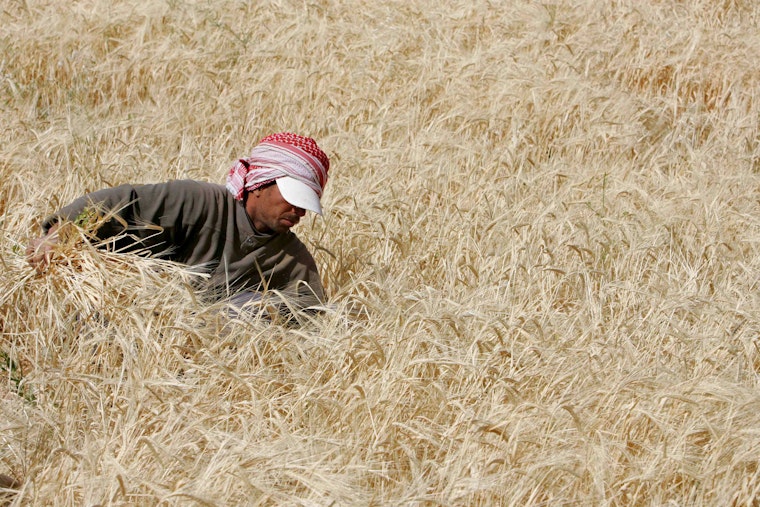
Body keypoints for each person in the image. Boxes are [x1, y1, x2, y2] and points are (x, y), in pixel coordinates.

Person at [26, 132, 330, 316]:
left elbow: (313, 312)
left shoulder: (293, 260)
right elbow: (123, 202)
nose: (299, 211)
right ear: (260, 183)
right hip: (132, 313)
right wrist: (60, 231)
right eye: (292, 197)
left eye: (305, 204)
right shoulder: (198, 201)